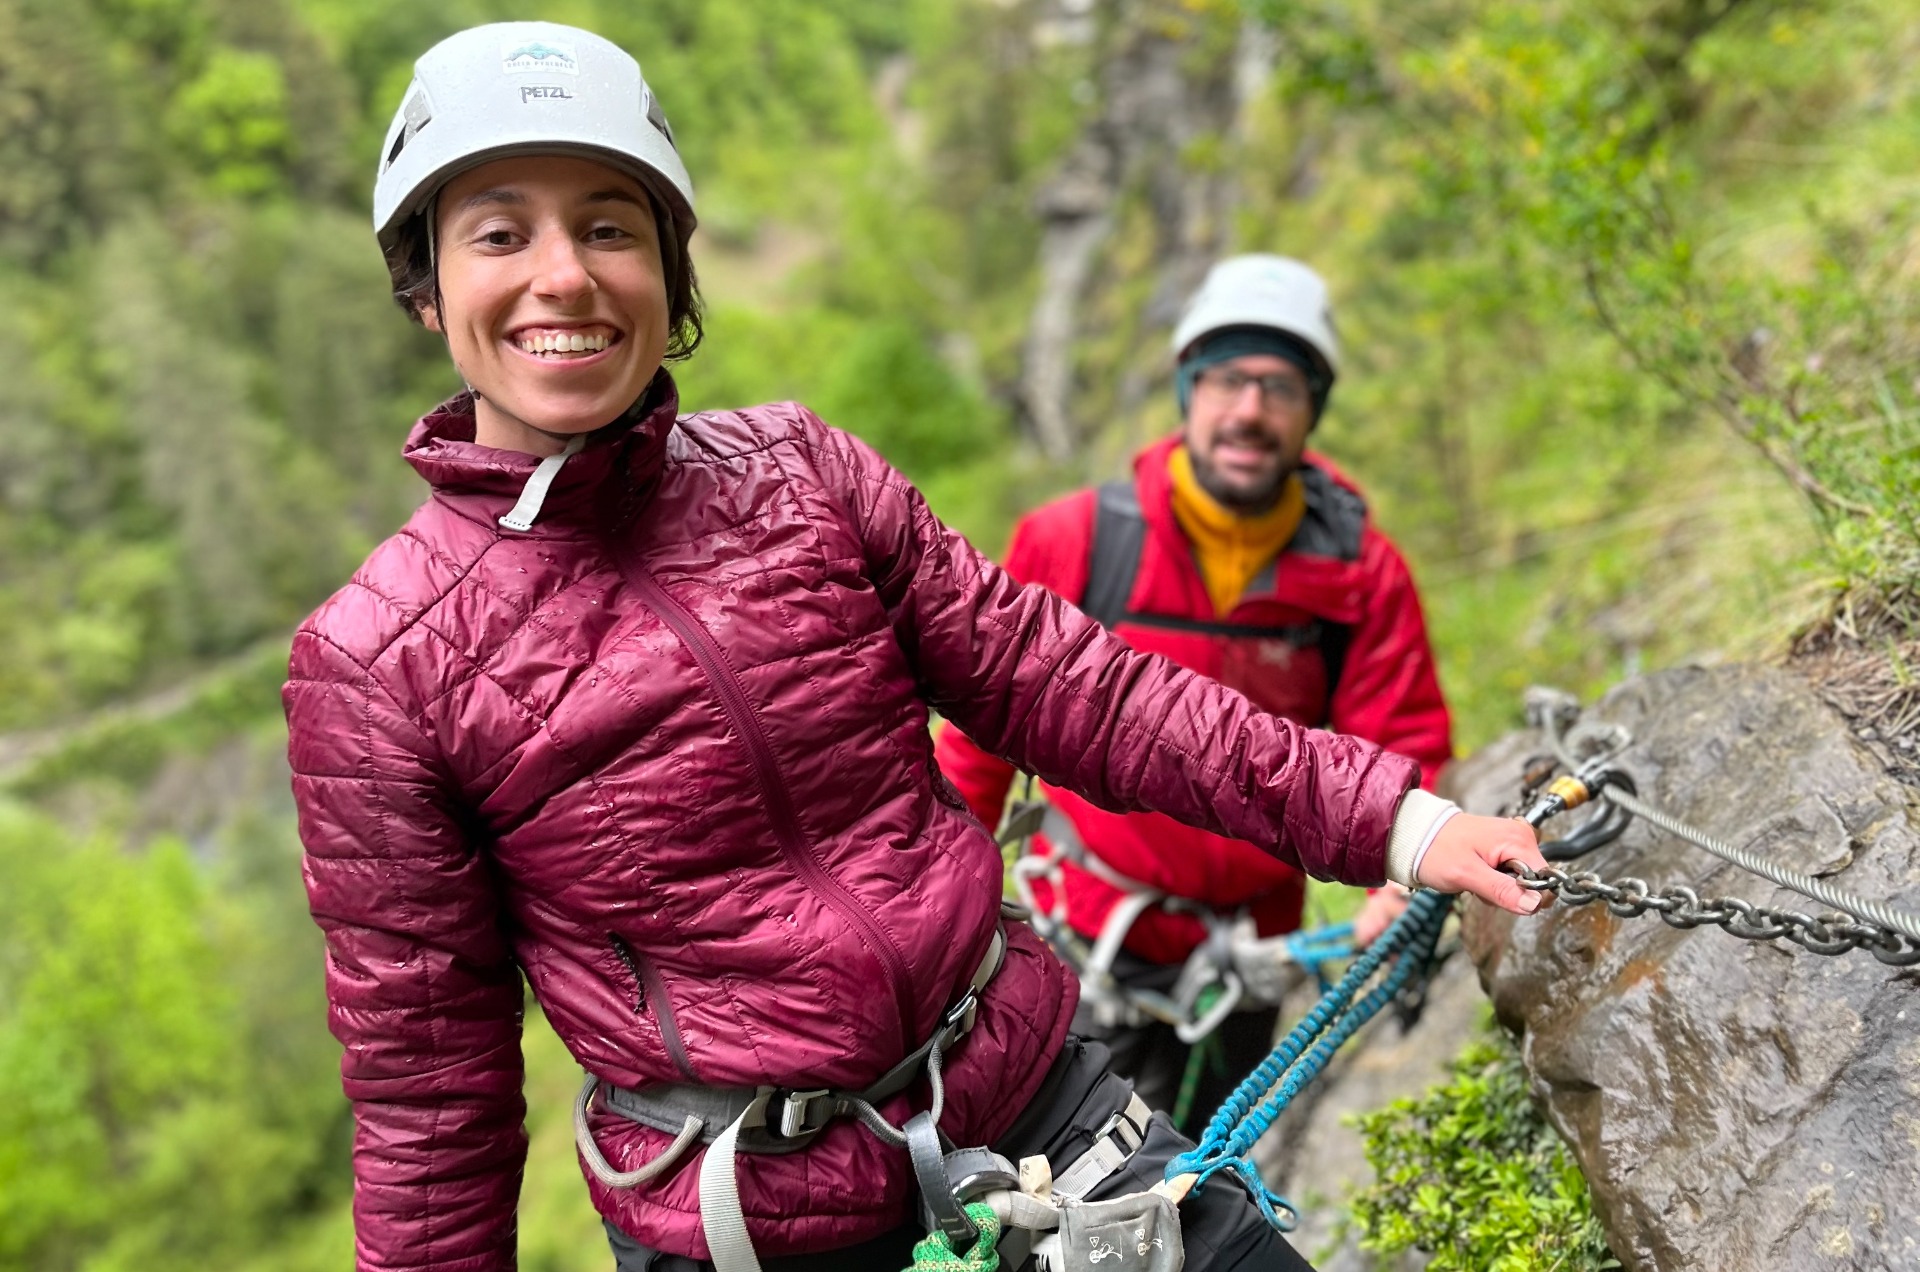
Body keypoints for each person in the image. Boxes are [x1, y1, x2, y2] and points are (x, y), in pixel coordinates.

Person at [283, 23, 1546, 1272]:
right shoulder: (378, 663)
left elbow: (1068, 687)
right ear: (425, 285)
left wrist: (1398, 822)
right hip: (760, 1220)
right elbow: (429, 1093)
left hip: (1034, 1103)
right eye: (500, 234)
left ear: (669, 270)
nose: (564, 276)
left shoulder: (801, 473)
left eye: (610, 226)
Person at [935, 254, 1451, 1122]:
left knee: (1208, 1201)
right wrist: (939, 922)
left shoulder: (1358, 575)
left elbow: (1399, 745)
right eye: (1226, 381)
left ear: (1312, 409)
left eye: (1279, 386)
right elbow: (979, 745)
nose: (1249, 412)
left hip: (1249, 957)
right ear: (1187, 390)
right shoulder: (1075, 542)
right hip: (1085, 945)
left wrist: (1397, 891)